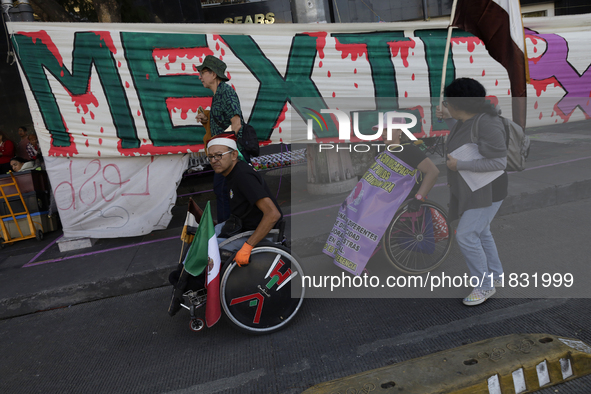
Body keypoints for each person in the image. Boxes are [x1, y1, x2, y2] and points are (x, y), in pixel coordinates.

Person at [168, 134, 282, 316]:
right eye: (211, 157)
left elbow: (273, 214)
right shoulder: (231, 174)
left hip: (255, 232)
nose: (214, 161)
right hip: (240, 226)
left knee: (204, 251)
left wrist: (248, 246)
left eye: (219, 155)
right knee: (199, 238)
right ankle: (184, 282)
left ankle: (189, 286)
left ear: (234, 155)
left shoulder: (243, 176)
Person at [440, 77, 508, 306]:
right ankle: (495, 276)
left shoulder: (487, 123)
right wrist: (450, 120)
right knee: (482, 232)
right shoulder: (467, 119)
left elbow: (499, 163)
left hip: (487, 188)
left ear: (460, 105)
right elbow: (466, 143)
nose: (445, 104)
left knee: (468, 235)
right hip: (473, 186)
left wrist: (459, 166)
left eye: (447, 102)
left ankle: (484, 285)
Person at [195, 55, 245, 223]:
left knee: (224, 192)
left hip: (227, 155)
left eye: (203, 72)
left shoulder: (226, 92)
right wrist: (206, 119)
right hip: (223, 154)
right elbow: (224, 122)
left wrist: (221, 148)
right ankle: (228, 228)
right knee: (223, 192)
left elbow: (236, 124)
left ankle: (227, 231)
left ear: (213, 74)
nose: (200, 76)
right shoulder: (218, 94)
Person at [373, 114, 440, 211]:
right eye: (381, 130)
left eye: (387, 129)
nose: (383, 133)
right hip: (387, 202)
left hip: (407, 205)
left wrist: (419, 198)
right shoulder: (382, 148)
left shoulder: (409, 150)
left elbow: (433, 172)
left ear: (400, 130)